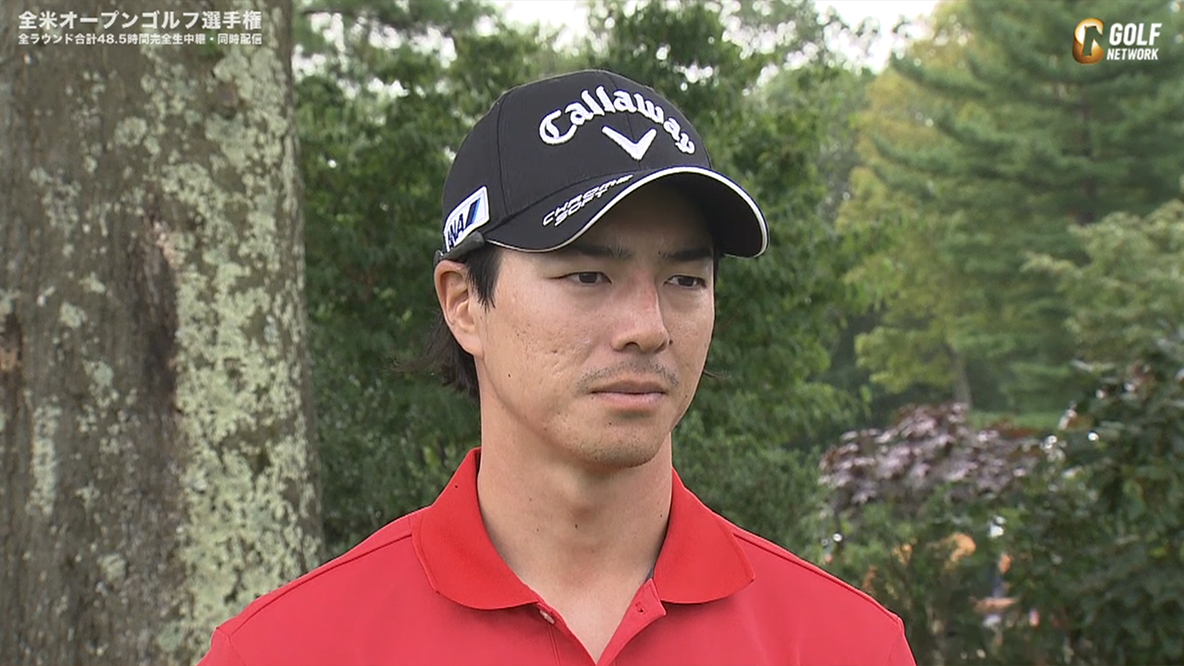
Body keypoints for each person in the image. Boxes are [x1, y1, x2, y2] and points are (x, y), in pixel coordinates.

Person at [198, 69, 916, 666]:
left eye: (685, 280)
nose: (648, 328)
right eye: (587, 277)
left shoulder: (845, 645)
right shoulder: (284, 650)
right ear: (464, 304)